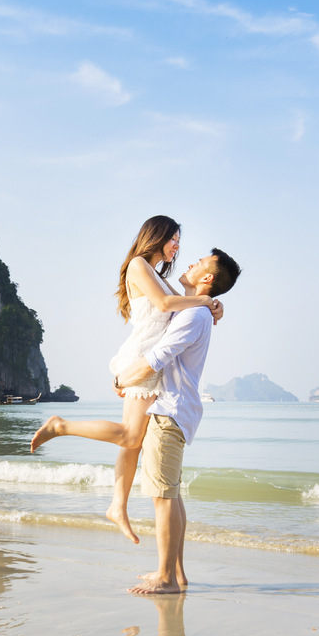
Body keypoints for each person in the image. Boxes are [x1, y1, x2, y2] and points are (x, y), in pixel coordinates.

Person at [30, 216, 222, 544]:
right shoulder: (138, 265)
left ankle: (118, 506)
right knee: (131, 437)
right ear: (156, 237)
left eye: (179, 240)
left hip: (150, 361)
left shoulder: (161, 278)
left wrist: (213, 307)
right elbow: (165, 306)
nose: (177, 245)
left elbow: (181, 310)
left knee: (131, 443)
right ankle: (61, 426)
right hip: (143, 358)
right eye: (173, 238)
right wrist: (204, 300)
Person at [117, 250, 238, 594]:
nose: (190, 263)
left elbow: (157, 358)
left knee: (163, 497)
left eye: (199, 262)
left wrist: (122, 380)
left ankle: (166, 577)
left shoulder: (193, 315)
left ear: (208, 279)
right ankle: (177, 573)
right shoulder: (197, 309)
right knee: (172, 495)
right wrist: (214, 305)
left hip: (169, 410)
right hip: (177, 409)